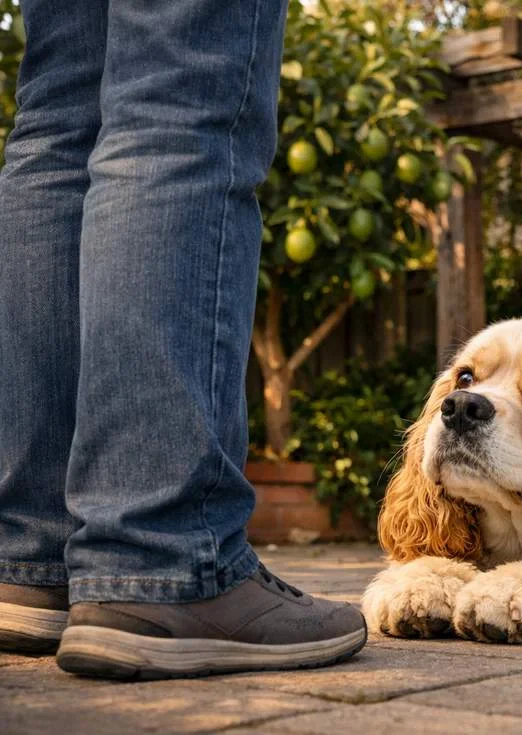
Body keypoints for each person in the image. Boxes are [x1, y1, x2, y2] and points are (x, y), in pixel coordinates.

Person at [0, 0, 366, 678]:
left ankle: (33, 559)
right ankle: (161, 556)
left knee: (57, 117)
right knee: (180, 96)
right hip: (170, 566)